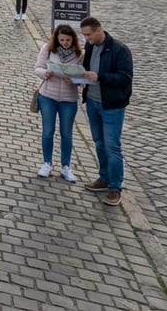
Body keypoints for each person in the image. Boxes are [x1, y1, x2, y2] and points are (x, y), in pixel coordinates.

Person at [80, 17, 134, 206]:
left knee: (112, 146)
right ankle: (103, 178)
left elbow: (125, 78)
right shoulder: (90, 47)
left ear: (99, 30)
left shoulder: (119, 50)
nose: (86, 39)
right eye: (84, 35)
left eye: (88, 34)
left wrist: (100, 76)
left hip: (112, 105)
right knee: (99, 143)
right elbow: (86, 69)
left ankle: (115, 188)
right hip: (93, 102)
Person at [34, 24, 84, 182]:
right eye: (61, 40)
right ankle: (47, 163)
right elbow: (38, 68)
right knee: (48, 131)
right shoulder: (48, 49)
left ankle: (66, 166)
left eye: (68, 40)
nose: (65, 43)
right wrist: (45, 73)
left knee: (66, 134)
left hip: (68, 99)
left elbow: (84, 78)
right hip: (48, 95)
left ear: (73, 40)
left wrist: (74, 80)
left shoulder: (80, 54)